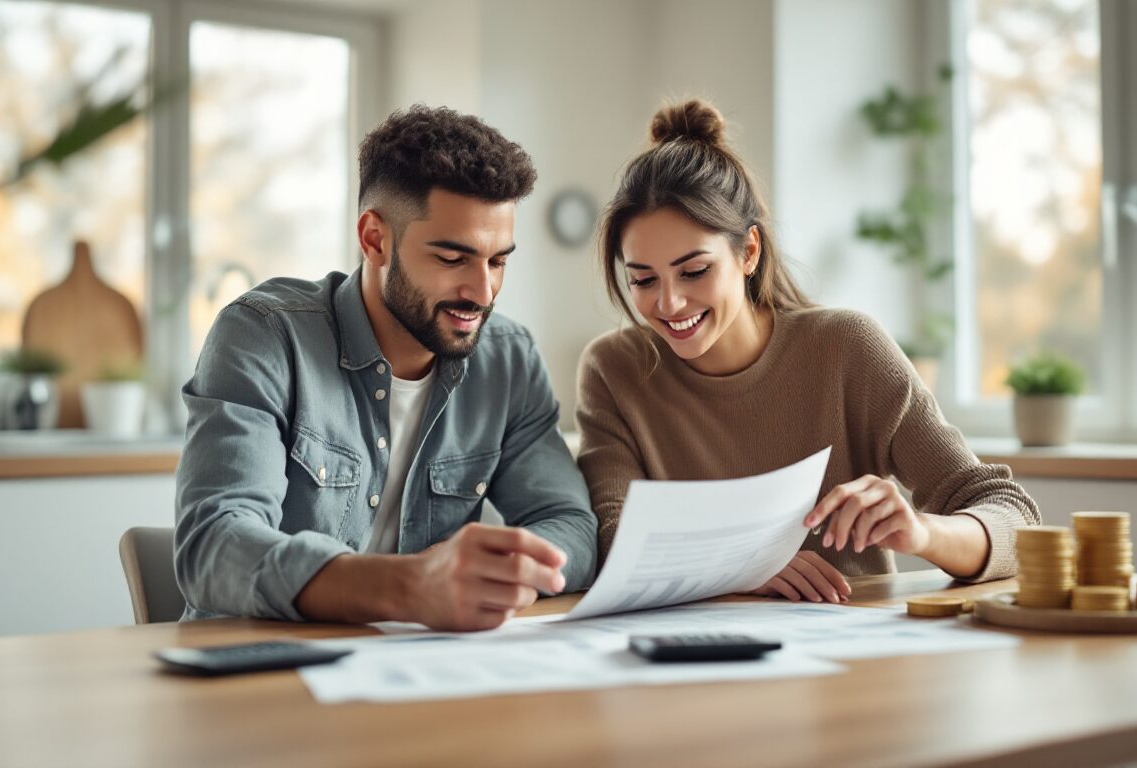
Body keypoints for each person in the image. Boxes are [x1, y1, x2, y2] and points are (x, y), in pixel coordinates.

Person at [576, 100, 1039, 603]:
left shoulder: (846, 349)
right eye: (643, 279)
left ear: (748, 251)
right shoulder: (613, 369)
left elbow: (1012, 516)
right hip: (694, 660)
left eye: (694, 272)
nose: (668, 303)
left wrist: (924, 532)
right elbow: (613, 538)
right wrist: (743, 566)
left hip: (847, 654)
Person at [176, 106, 597, 631]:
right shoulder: (264, 335)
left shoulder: (508, 359)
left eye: (498, 261)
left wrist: (501, 573)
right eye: (452, 259)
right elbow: (214, 546)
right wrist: (412, 587)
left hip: (421, 672)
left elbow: (573, 527)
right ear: (375, 238)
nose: (482, 293)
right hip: (261, 671)